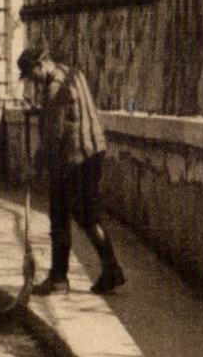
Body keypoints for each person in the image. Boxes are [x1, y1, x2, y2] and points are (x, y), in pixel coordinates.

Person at [16, 44, 125, 297]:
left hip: (74, 159)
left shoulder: (55, 88)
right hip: (94, 152)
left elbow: (53, 137)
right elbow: (67, 115)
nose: (33, 82)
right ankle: (111, 269)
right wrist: (40, 113)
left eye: (32, 76)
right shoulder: (73, 73)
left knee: (60, 215)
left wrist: (35, 167)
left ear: (40, 66)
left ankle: (59, 278)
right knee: (87, 214)